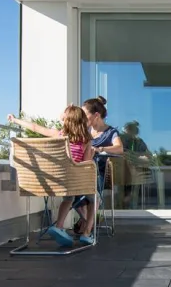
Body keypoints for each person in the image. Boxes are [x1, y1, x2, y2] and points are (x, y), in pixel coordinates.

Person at [7, 106, 95, 246]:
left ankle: (59, 226)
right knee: (93, 198)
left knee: (68, 198)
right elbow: (86, 163)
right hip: (73, 181)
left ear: (67, 121)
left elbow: (36, 128)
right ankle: (86, 233)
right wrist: (93, 153)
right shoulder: (85, 140)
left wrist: (15, 120)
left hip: (52, 180)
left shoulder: (58, 135)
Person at [75, 96, 124, 231]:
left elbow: (119, 148)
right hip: (80, 172)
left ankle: (86, 226)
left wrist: (100, 149)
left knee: (88, 193)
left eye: (85, 115)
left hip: (97, 173)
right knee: (70, 193)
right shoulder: (84, 131)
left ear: (96, 115)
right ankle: (88, 223)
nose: (82, 119)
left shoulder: (111, 132)